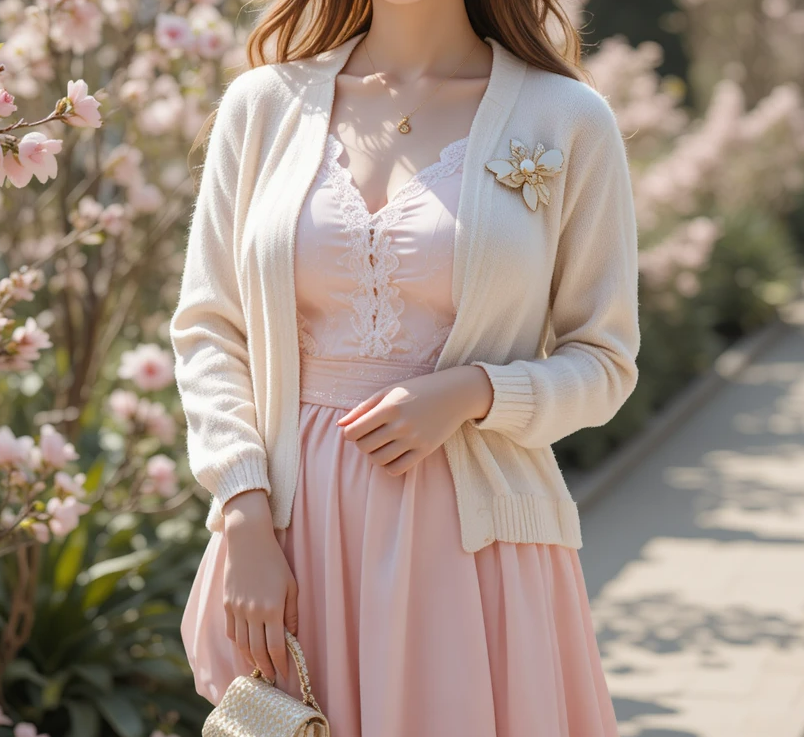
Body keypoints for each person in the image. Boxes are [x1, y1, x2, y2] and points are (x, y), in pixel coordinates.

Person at [170, 0, 640, 735]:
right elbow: (209, 331)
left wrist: (477, 391)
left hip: (477, 548)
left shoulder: (567, 118)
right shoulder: (263, 105)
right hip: (298, 537)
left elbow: (605, 361)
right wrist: (244, 517)